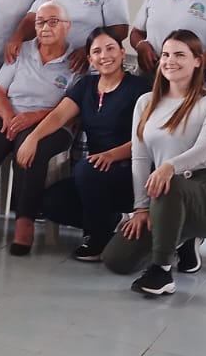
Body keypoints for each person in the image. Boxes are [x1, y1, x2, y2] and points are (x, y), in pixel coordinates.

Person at [102, 31, 206, 296]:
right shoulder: (146, 102)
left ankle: (162, 271)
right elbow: (140, 157)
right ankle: (181, 237)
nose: (170, 61)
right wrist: (141, 208)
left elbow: (205, 149)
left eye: (180, 55)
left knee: (169, 182)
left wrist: (169, 166)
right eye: (165, 55)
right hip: (163, 194)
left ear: (198, 61)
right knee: (117, 260)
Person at [0, 2, 79, 255]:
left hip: (52, 123)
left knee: (31, 149)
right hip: (10, 114)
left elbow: (74, 108)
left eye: (53, 22)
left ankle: (25, 221)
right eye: (40, 22)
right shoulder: (22, 50)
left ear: (67, 27)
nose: (45, 27)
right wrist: (9, 116)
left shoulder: (77, 61)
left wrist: (34, 117)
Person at [38, 27, 147, 262]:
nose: (104, 56)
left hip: (132, 173)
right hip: (96, 177)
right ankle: (109, 220)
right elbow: (58, 116)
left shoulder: (139, 88)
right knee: (51, 202)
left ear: (121, 52)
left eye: (110, 49)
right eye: (97, 51)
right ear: (90, 58)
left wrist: (111, 155)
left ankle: (98, 238)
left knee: (86, 169)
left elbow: (147, 138)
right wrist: (32, 139)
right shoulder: (86, 86)